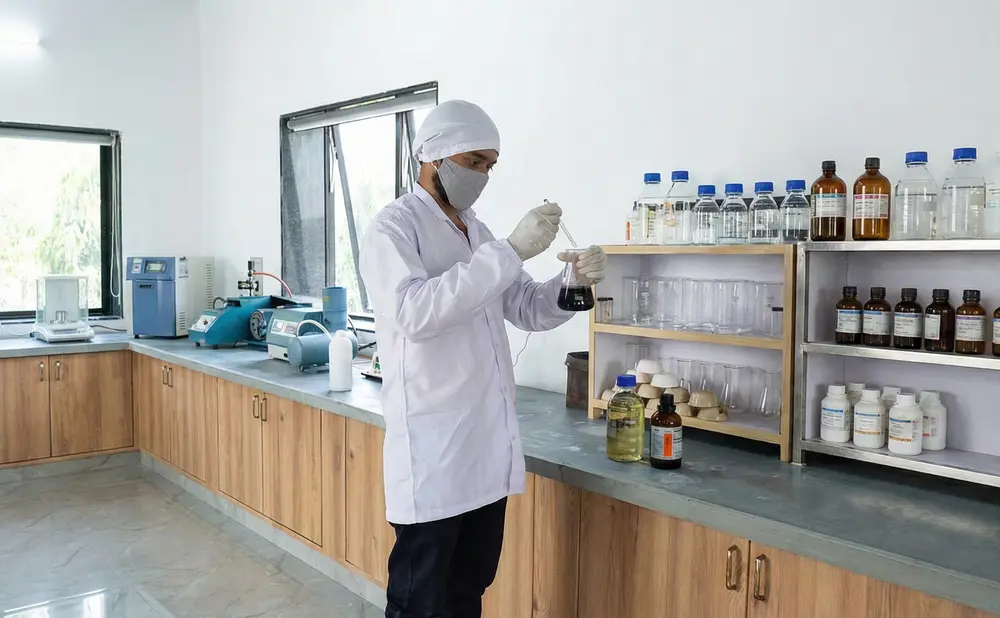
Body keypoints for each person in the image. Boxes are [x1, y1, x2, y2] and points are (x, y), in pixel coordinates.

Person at [359, 100, 606, 618]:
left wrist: (573, 284)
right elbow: (414, 312)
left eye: (490, 166)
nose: (482, 177)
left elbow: (524, 307)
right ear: (433, 156)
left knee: (467, 592)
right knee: (418, 601)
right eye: (473, 163)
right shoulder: (394, 228)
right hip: (433, 453)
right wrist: (512, 250)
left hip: (484, 452)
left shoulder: (477, 231)